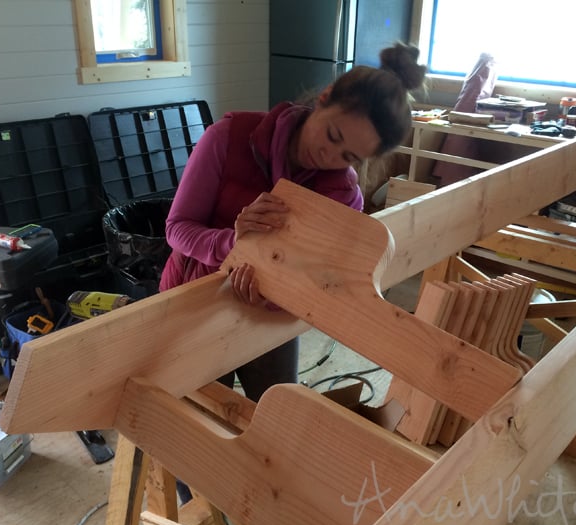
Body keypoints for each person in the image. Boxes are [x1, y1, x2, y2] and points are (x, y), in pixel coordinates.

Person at [160, 42, 425, 402]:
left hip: (272, 317)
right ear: (325, 97)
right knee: (197, 416)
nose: (327, 155)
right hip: (196, 302)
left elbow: (322, 280)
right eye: (332, 135)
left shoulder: (343, 192)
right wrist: (232, 243)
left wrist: (274, 295)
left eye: (347, 156)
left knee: (277, 415)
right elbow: (177, 228)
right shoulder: (228, 138)